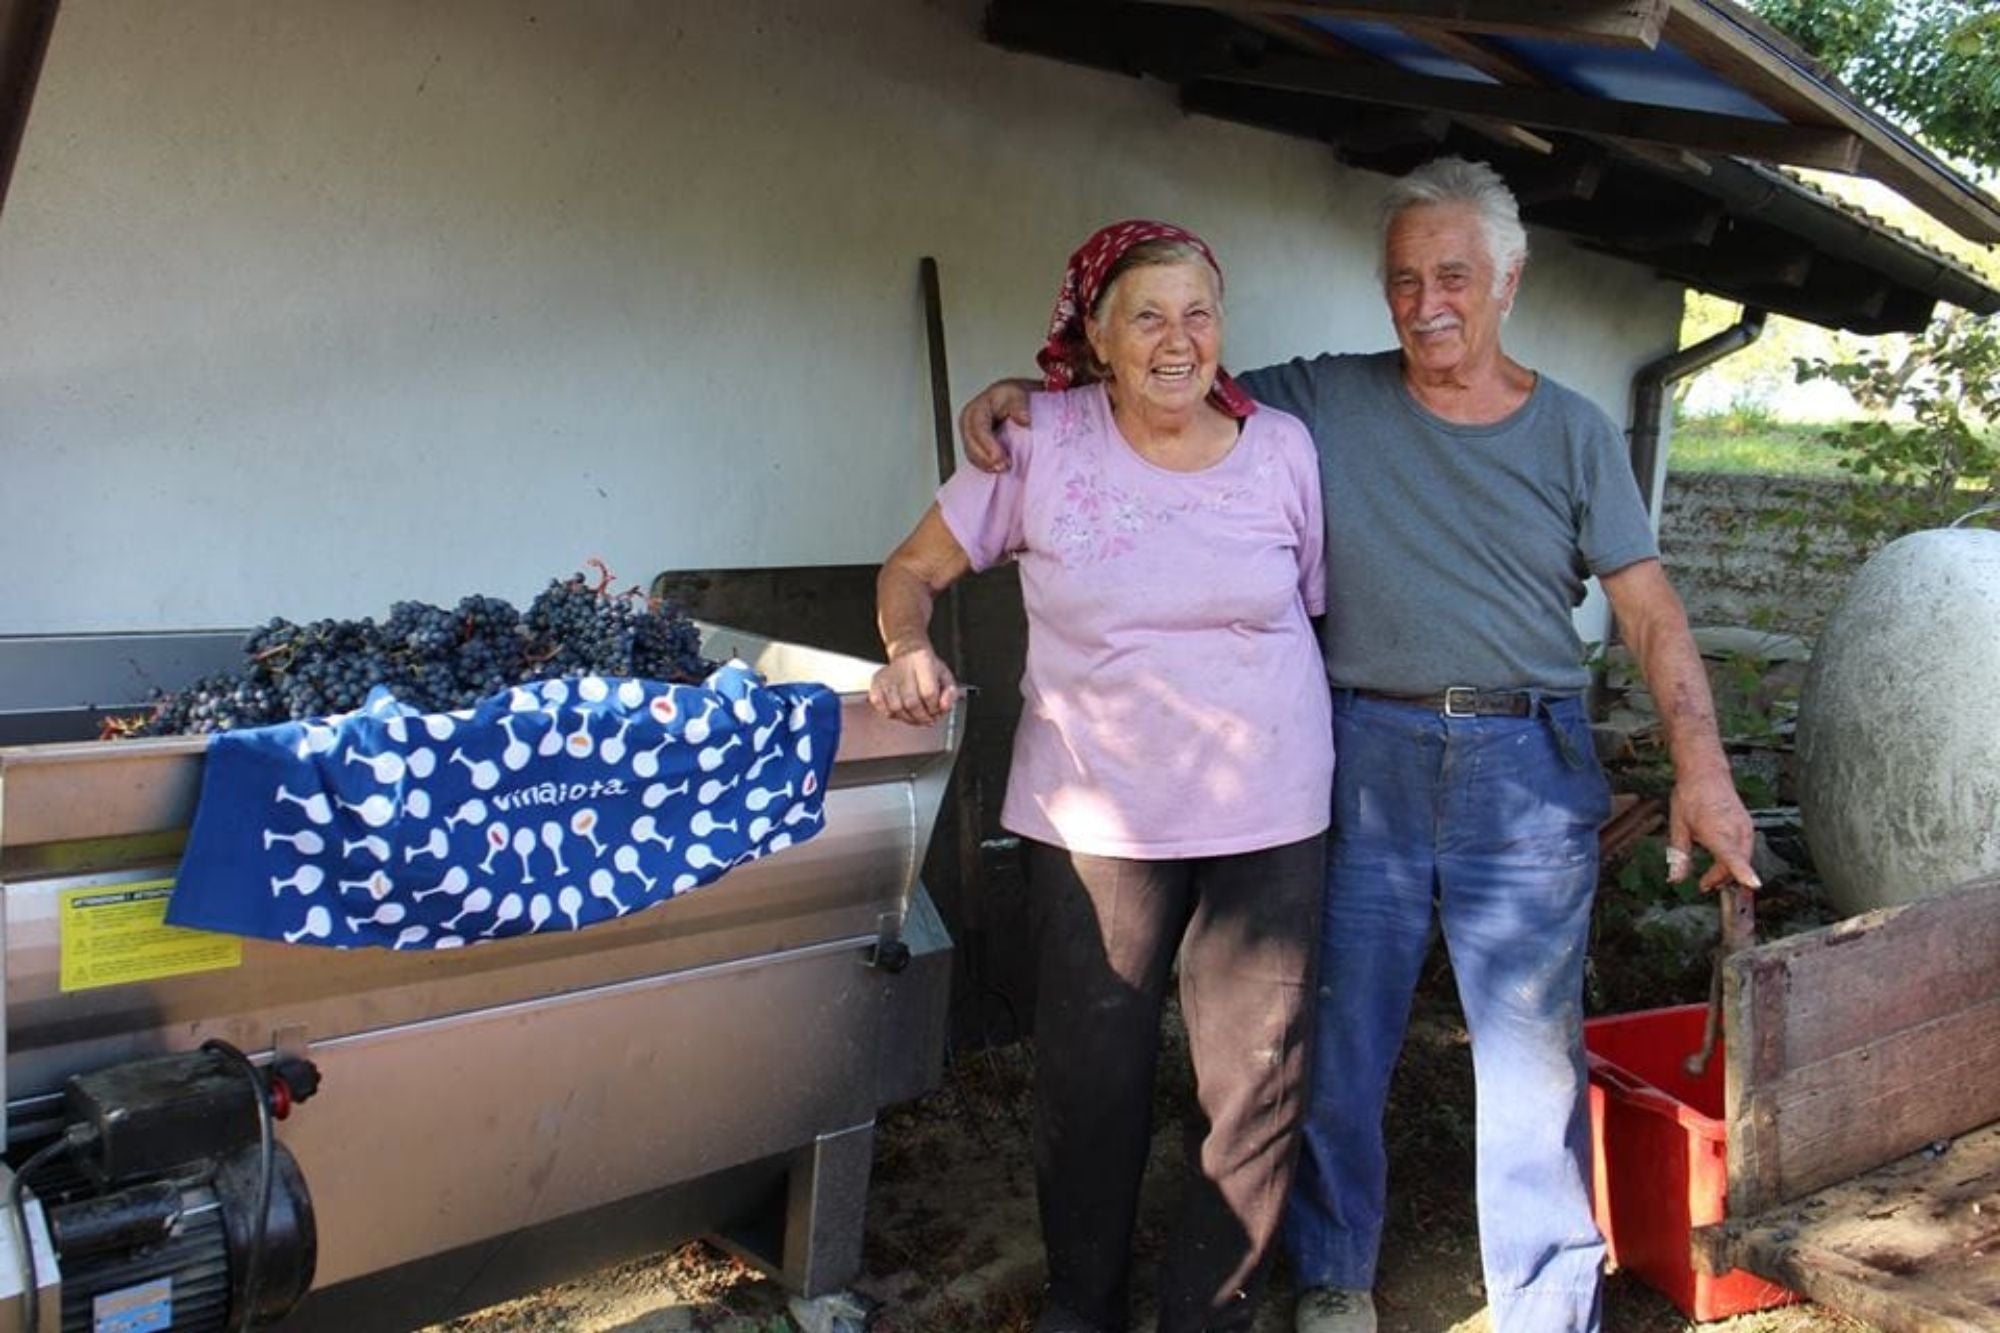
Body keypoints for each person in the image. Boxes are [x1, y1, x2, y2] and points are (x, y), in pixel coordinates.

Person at [954, 159, 1759, 1333]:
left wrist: (1704, 771)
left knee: (1530, 1056)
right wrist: (1029, 394)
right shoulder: (1320, 400)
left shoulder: (1574, 433)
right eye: (1403, 280)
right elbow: (1162, 371)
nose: (1426, 303)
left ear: (1508, 281)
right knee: (1334, 1038)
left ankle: (1544, 1300)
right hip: (1363, 745)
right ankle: (1333, 1276)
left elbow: (1647, 611)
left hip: (1523, 763)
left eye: (1453, 276)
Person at [869, 220, 1334, 1333]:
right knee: (1090, 1078)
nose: (1178, 340)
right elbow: (910, 570)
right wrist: (905, 645)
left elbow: (1307, 606)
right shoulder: (1036, 441)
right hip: (1094, 817)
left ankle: (1207, 1315)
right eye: (1148, 316)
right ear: (1097, 335)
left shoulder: (1281, 448)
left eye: (1198, 313)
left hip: (1269, 810)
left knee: (1255, 1083)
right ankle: (1083, 1307)